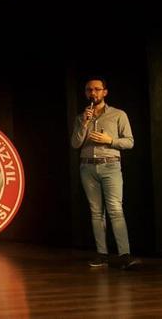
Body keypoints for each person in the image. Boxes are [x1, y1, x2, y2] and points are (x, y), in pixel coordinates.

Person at [70, 77, 138, 269]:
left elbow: (129, 142)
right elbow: (75, 144)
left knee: (115, 209)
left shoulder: (118, 115)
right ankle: (102, 254)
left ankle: (125, 255)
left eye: (97, 89)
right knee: (96, 212)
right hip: (87, 167)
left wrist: (110, 140)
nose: (93, 93)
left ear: (105, 92)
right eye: (89, 90)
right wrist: (84, 123)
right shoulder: (81, 117)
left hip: (110, 166)